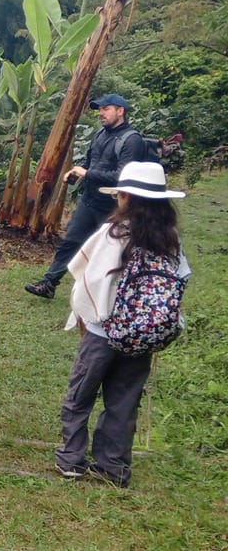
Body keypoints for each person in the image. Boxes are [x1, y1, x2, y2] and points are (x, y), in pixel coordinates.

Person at [55, 162, 188, 488]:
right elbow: (181, 278)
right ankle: (112, 466)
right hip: (143, 336)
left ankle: (72, 459)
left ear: (127, 197)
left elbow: (86, 278)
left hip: (102, 332)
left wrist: (83, 317)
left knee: (80, 395)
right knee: (124, 401)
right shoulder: (169, 239)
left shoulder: (114, 233)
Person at [26, 93, 148, 299]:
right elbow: (90, 162)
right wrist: (77, 172)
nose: (101, 113)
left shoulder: (131, 140)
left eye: (106, 109)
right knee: (71, 241)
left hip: (114, 206)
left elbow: (123, 176)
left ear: (120, 111)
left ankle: (122, 294)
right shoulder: (100, 134)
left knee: (113, 250)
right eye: (99, 109)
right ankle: (49, 283)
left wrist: (88, 173)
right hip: (90, 200)